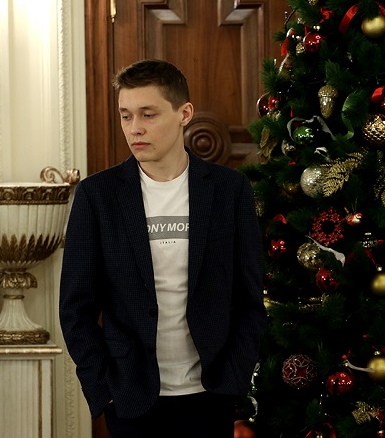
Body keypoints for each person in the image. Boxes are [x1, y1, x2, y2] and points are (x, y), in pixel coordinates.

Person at [59, 59, 266, 437]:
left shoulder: (229, 191)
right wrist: (102, 389)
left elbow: (249, 298)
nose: (134, 128)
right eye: (125, 116)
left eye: (148, 114)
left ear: (184, 113)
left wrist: (234, 380)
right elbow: (76, 308)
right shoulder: (97, 196)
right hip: (130, 398)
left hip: (211, 395)